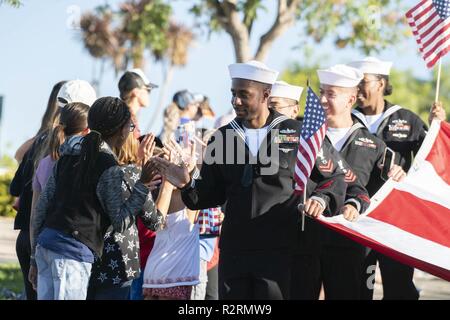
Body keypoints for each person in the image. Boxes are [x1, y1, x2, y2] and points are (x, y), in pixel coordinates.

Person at [151, 60, 348, 300]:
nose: (236, 101)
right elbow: (209, 194)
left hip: (283, 251)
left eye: (244, 94)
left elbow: (335, 177)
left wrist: (321, 198)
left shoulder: (297, 131)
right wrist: (187, 183)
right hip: (235, 251)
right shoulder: (223, 137)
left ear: (266, 94)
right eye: (233, 94)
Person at [29, 97, 156, 300]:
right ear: (123, 130)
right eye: (130, 126)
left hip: (46, 245)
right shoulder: (108, 166)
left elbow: (41, 210)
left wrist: (34, 258)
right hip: (71, 254)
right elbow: (120, 221)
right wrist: (142, 186)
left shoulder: (68, 155)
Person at [297, 64, 404, 300]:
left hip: (351, 245)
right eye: (322, 92)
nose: (323, 99)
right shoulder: (302, 134)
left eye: (331, 94)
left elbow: (388, 195)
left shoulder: (375, 147)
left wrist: (399, 177)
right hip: (304, 242)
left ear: (351, 99)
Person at [348, 57, 446, 300]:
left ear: (381, 84)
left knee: (399, 287)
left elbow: (432, 159)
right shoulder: (345, 121)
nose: (357, 89)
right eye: (354, 84)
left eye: (363, 83)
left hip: (395, 220)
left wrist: (437, 127)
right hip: (357, 217)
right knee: (359, 287)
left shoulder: (407, 119)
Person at [10, 80, 96, 300]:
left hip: (32, 239)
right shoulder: (83, 157)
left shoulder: (40, 144)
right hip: (62, 244)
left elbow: (16, 186)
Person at [87, 134, 165, 300]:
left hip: (89, 258)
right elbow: (155, 222)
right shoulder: (133, 175)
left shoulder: (90, 168)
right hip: (120, 263)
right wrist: (168, 186)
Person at [118, 68, 158, 138]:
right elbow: (130, 148)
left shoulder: (122, 115)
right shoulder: (128, 119)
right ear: (136, 92)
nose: (149, 94)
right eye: (148, 90)